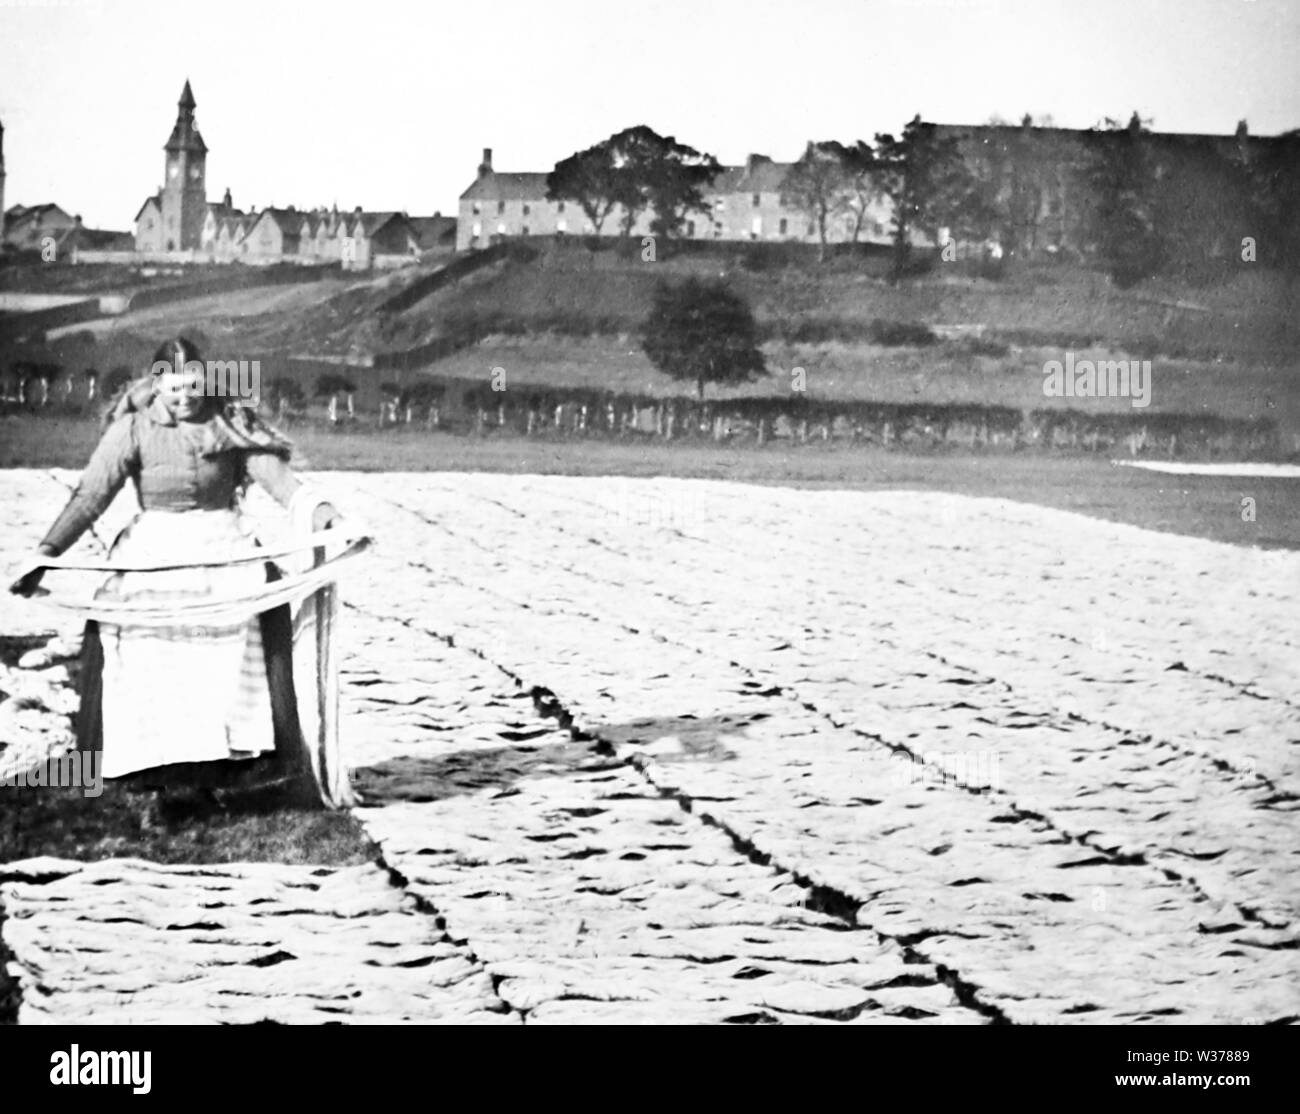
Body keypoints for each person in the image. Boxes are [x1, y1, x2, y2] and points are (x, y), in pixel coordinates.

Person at [8, 337, 349, 805]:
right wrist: (44, 554)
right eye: (173, 388)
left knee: (244, 627)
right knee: (129, 635)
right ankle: (144, 770)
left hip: (224, 547)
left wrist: (325, 514)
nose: (184, 397)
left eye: (192, 386)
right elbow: (90, 497)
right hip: (154, 549)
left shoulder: (229, 423)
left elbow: (280, 481)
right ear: (156, 384)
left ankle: (240, 771)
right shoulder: (131, 429)